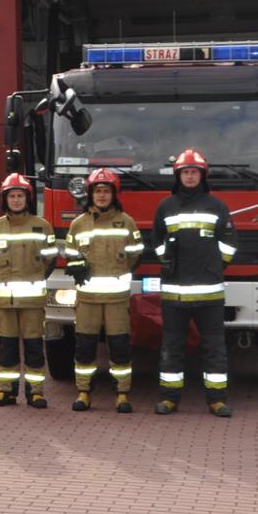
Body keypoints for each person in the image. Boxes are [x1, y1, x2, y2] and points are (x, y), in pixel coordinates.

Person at [151, 148, 237, 418]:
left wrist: (216, 266)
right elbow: (156, 240)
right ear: (178, 176)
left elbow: (229, 243)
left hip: (209, 294)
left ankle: (217, 400)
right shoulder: (166, 207)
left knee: (214, 347)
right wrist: (166, 260)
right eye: (185, 172)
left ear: (202, 176)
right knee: (172, 347)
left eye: (194, 172)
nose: (190, 177)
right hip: (174, 294)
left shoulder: (217, 206)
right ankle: (169, 399)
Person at [64, 168, 143, 413]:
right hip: (87, 299)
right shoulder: (78, 224)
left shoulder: (127, 222)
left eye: (106, 191)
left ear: (114, 194)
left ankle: (122, 394)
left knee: (120, 346)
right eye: (97, 191)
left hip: (117, 299)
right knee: (84, 347)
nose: (101, 195)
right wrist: (77, 266)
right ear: (90, 194)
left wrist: (118, 272)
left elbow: (135, 254)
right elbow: (70, 255)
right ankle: (84, 392)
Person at [0, 173, 57, 409]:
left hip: (33, 303)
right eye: (12, 196)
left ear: (28, 198)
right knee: (7, 347)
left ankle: (35, 393)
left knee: (34, 347)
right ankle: (6, 391)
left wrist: (35, 278)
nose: (16, 200)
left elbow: (50, 261)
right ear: (5, 199)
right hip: (5, 302)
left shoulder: (42, 226)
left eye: (20, 196)